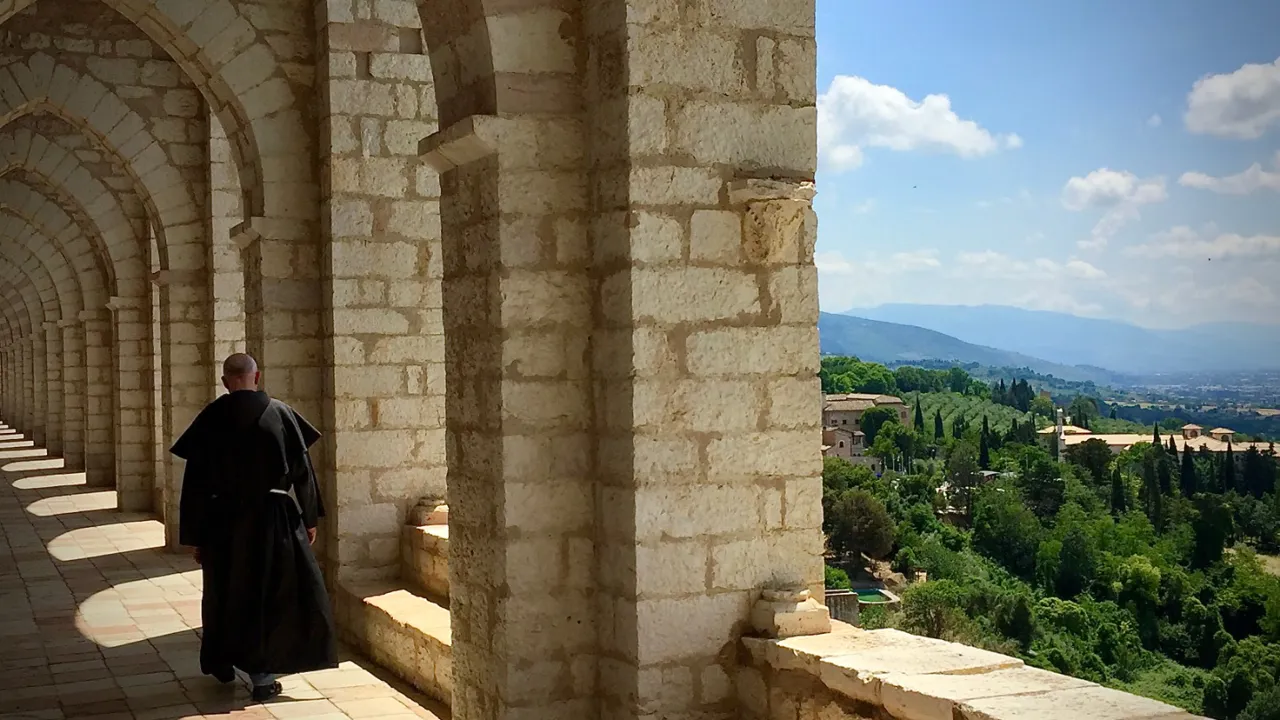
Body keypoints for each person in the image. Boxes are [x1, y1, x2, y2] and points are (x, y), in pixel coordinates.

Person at [172, 353, 337, 702]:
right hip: (274, 517)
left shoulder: (212, 417)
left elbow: (196, 483)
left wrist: (196, 536)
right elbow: (302, 470)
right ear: (257, 376)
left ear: (224, 381)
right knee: (274, 592)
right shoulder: (280, 413)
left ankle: (230, 663)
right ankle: (264, 676)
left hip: (224, 521)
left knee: (228, 593)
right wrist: (308, 518)